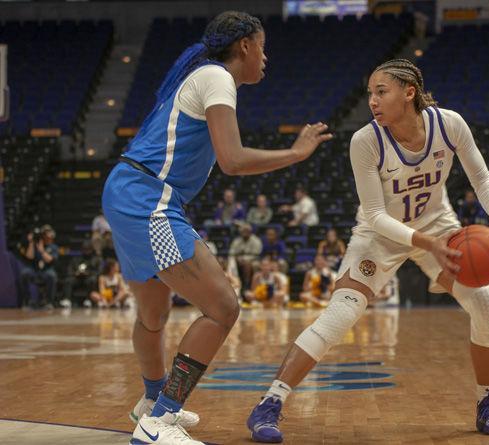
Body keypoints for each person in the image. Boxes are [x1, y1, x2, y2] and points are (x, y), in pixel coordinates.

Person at [247, 59, 489, 441]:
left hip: (437, 225)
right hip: (381, 235)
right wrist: (426, 244)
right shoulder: (366, 140)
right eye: (370, 93)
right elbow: (373, 214)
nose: (371, 101)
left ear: (409, 92)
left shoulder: (449, 124)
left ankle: (488, 402)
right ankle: (269, 405)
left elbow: (482, 177)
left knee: (487, 304)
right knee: (341, 314)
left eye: (380, 91)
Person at [101, 11, 331, 445]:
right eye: (263, 46)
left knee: (153, 315)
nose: (266, 57)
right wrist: (295, 154)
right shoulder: (217, 78)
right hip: (149, 198)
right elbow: (233, 160)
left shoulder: (203, 77)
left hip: (127, 191)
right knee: (223, 306)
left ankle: (151, 402)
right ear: (245, 44)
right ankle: (160, 422)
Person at [18, 225, 59, 308]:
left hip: (46, 270)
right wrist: (31, 242)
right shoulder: (34, 244)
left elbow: (50, 260)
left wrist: (42, 250)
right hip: (34, 270)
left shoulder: (53, 247)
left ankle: (49, 302)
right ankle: (27, 301)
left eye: (47, 233)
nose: (45, 235)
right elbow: (29, 257)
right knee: (24, 273)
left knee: (51, 275)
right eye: (44, 233)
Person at [229, 223, 263, 290]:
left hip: (253, 260)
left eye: (246, 231)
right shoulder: (237, 241)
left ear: (250, 232)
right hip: (238, 260)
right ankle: (232, 283)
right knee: (230, 262)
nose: (245, 232)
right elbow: (231, 252)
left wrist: (244, 259)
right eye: (243, 231)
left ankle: (246, 284)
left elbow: (256, 254)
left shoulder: (256, 240)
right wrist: (237, 258)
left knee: (248, 265)